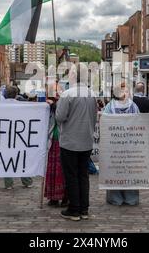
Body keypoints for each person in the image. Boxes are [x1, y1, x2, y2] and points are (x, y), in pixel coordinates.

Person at [56, 65, 97, 221]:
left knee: (72, 176)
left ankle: (74, 209)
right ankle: (84, 209)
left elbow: (60, 117)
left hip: (70, 142)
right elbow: (95, 116)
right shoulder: (92, 94)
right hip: (86, 140)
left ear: (73, 76)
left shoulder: (67, 94)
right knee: (83, 175)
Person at [103, 82, 140, 206]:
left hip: (116, 145)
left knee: (117, 169)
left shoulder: (110, 106)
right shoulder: (133, 106)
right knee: (127, 170)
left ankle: (116, 198)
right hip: (128, 144)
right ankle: (130, 198)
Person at [3, 86, 34, 190]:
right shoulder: (22, 106)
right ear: (16, 94)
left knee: (7, 159)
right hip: (19, 136)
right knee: (21, 158)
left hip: (5, 136)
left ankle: (8, 184)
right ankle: (27, 181)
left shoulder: (0, 106)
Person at [44, 91, 68, 207]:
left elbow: (62, 116)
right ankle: (54, 196)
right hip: (53, 140)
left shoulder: (64, 103)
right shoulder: (48, 107)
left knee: (62, 170)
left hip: (63, 140)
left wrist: (54, 105)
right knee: (53, 169)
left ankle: (64, 196)